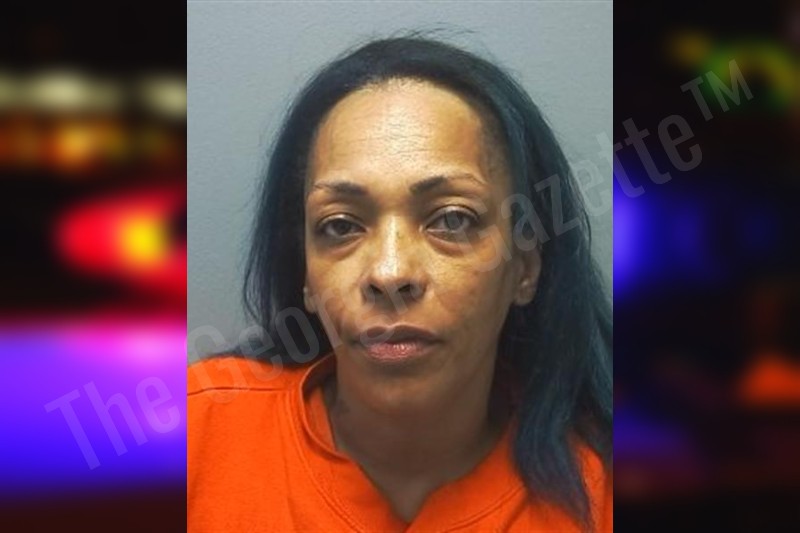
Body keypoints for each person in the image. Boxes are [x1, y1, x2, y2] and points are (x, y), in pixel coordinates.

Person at [188, 36, 612, 532]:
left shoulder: (601, 490)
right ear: (306, 274)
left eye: (452, 220)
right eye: (340, 225)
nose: (389, 273)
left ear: (525, 267)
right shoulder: (190, 433)